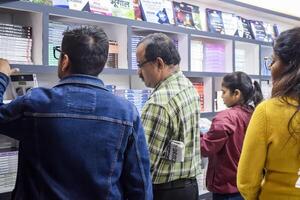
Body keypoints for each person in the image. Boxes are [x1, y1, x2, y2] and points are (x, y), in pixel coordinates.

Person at [0, 26, 152, 199]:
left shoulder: (35, 103)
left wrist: (2, 75)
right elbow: (140, 185)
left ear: (65, 60)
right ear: (102, 63)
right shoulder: (127, 113)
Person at [136, 32, 201, 200]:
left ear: (159, 63)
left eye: (140, 65)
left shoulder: (159, 103)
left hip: (166, 192)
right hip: (190, 187)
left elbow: (142, 165)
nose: (138, 72)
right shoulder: (188, 86)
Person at [237, 27, 300, 199]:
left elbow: (246, 181)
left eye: (274, 60)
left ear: (290, 66)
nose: (271, 66)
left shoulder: (268, 111)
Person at [201, 71, 263, 200]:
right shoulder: (255, 114)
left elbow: (205, 148)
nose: (222, 96)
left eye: (224, 92)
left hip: (226, 189)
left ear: (236, 93)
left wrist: (195, 133)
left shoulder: (226, 118)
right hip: (247, 186)